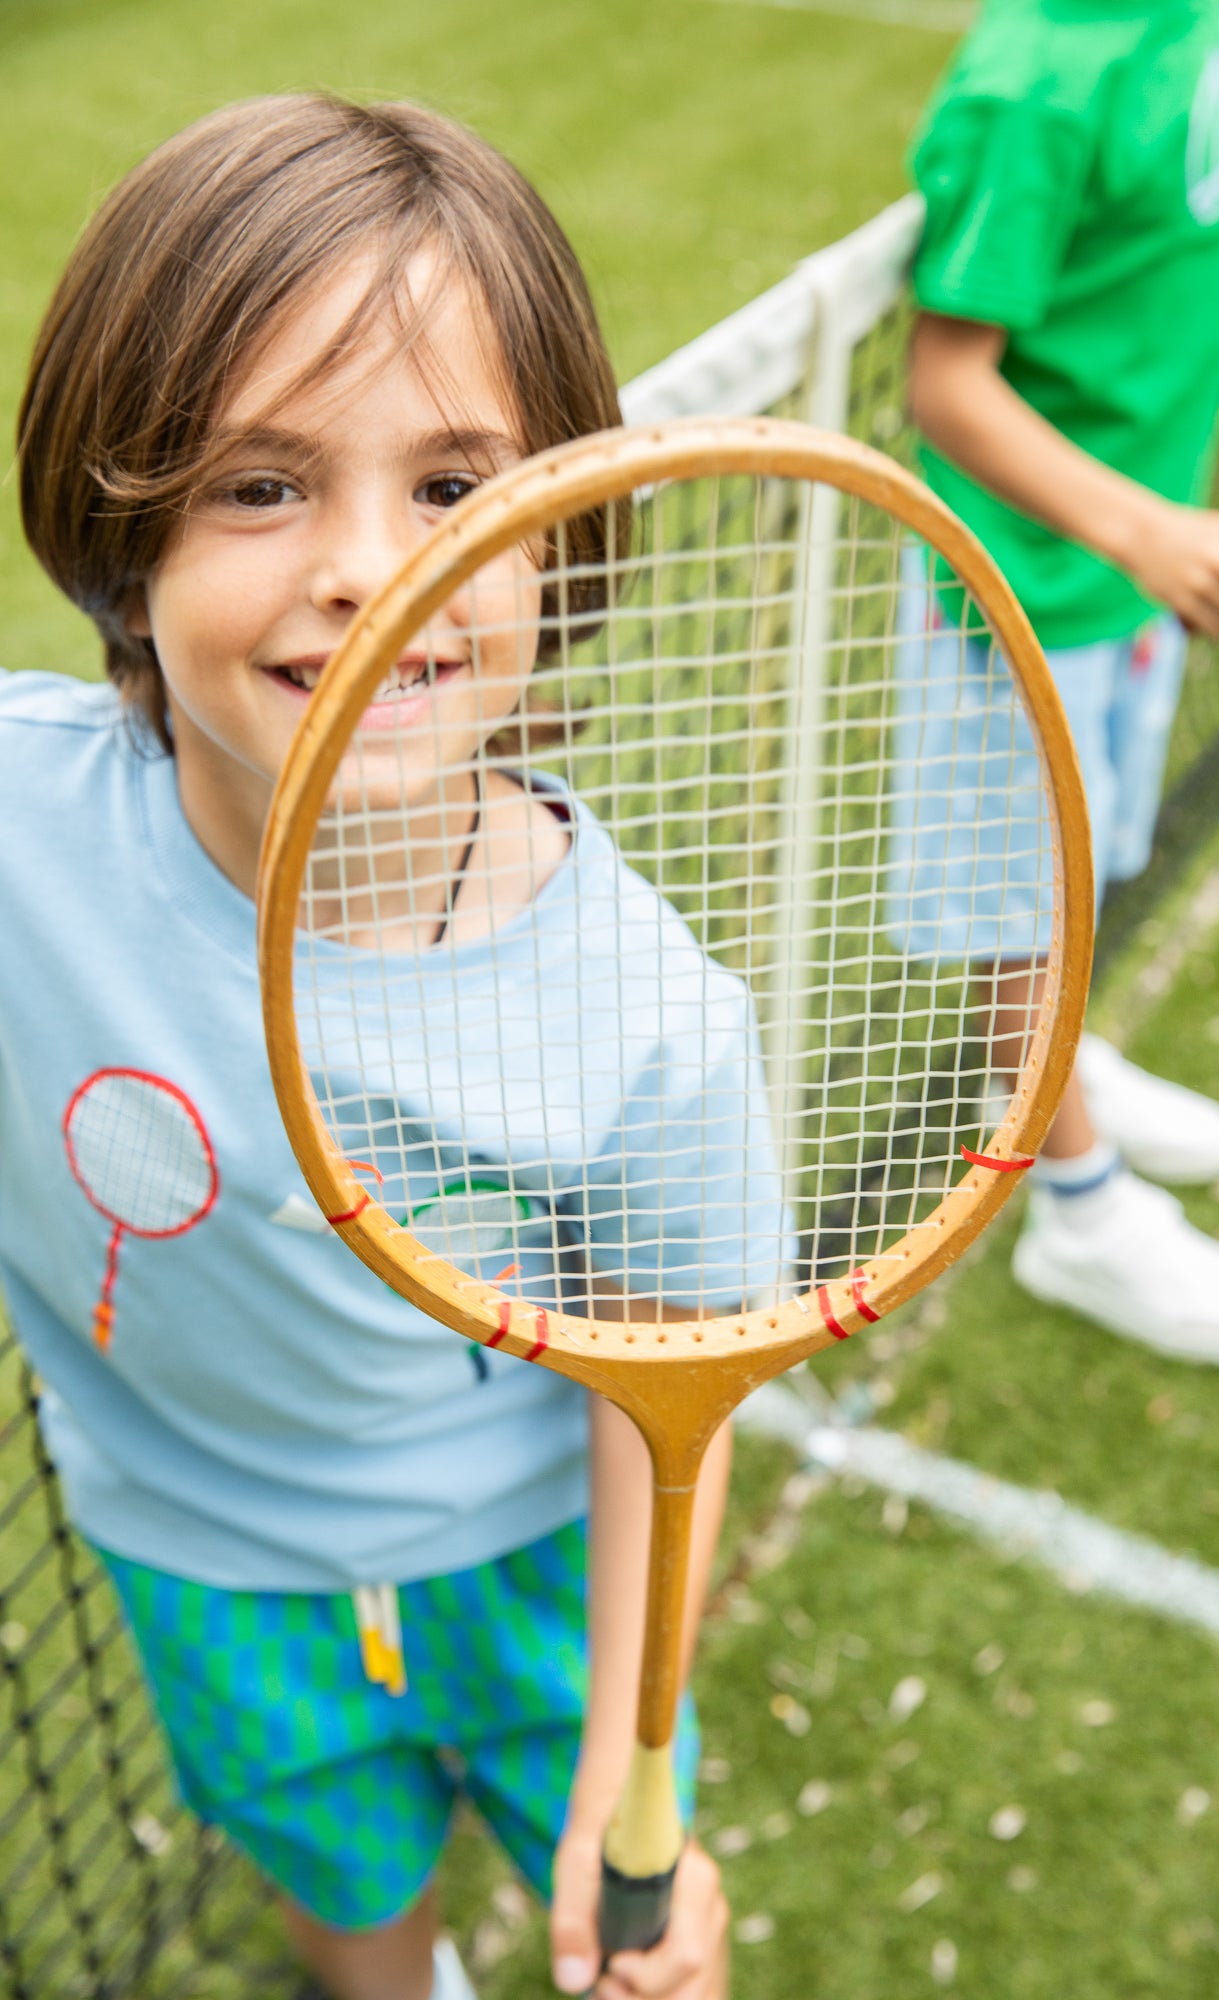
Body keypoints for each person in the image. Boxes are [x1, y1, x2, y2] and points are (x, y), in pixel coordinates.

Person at [4, 95, 760, 2000]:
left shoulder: (653, 1020)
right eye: (262, 485)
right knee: (349, 1912)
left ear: (555, 531)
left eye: (450, 489)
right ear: (122, 527)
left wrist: (619, 1759)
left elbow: (665, 1404)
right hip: (197, 1562)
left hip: (532, 1569)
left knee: (638, 1945)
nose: (370, 571)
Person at [895, 0, 1219, 1366]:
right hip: (1019, 599)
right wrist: (1146, 532)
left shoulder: (1191, 17)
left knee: (1077, 877)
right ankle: (1072, 1207)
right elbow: (945, 386)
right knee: (1020, 914)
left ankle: (1066, 1064)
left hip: (1125, 575)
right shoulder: (1032, 83)